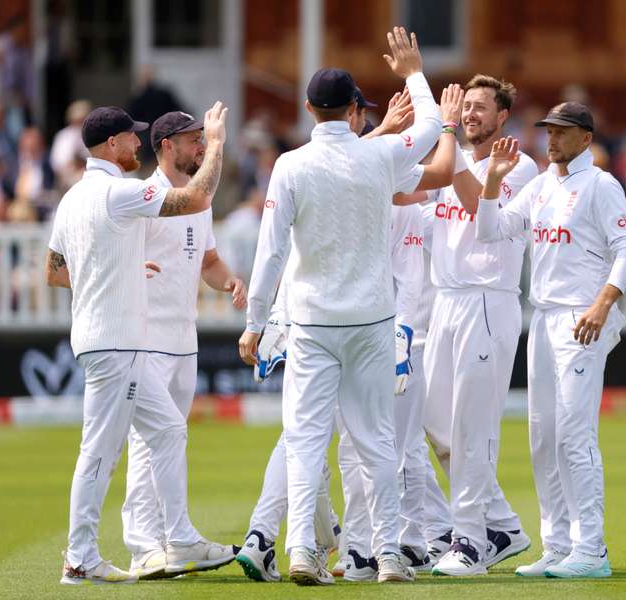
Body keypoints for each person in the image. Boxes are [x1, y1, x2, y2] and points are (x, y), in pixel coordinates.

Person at [237, 27, 440, 585]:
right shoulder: (378, 156)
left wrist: (255, 323)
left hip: (312, 321)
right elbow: (431, 127)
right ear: (354, 108)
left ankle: (302, 549)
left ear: (308, 109)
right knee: (377, 440)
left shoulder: (291, 165)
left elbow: (271, 250)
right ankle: (390, 556)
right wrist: (413, 72)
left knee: (305, 438)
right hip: (372, 318)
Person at [46, 102, 228, 584]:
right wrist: (218, 144)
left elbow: (54, 272)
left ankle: (181, 538)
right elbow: (194, 198)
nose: (136, 144)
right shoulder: (119, 192)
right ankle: (80, 559)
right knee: (100, 452)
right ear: (112, 145)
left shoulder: (72, 199)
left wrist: (120, 269)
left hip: (104, 340)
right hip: (118, 341)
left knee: (168, 431)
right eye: (131, 138)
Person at [475, 102, 626, 578]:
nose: (551, 139)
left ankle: (592, 549)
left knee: (574, 434)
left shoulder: (601, 185)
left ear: (586, 138)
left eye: (562, 132)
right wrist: (493, 179)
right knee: (542, 438)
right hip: (544, 317)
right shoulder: (541, 185)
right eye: (548, 130)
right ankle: (558, 544)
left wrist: (603, 303)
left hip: (581, 316)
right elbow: (491, 230)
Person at [120, 110, 246, 579]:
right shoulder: (146, 196)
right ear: (167, 145)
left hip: (183, 338)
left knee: (170, 443)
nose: (200, 147)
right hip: (145, 338)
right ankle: (144, 546)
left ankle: (169, 542)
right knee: (148, 442)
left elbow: (208, 260)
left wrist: (229, 279)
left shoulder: (200, 202)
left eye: (202, 140)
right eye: (194, 140)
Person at [423, 74, 538, 577]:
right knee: (438, 426)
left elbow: (475, 204)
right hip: (444, 301)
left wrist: (445, 129)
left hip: (487, 301)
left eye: (479, 108)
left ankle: (469, 540)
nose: (470, 114)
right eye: (464, 106)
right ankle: (503, 527)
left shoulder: (518, 164)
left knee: (473, 427)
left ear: (501, 117)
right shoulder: (450, 158)